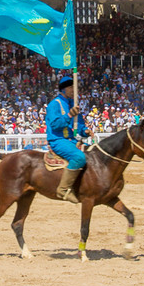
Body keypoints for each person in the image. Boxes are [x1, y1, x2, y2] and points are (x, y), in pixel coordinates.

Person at [45, 76, 94, 204]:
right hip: (58, 140)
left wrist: (85, 131)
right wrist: (69, 115)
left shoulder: (72, 105)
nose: (74, 90)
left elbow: (79, 125)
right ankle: (63, 189)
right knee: (79, 157)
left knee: (93, 153)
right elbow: (55, 125)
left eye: (75, 88)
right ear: (64, 89)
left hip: (71, 139)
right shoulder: (54, 104)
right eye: (71, 87)